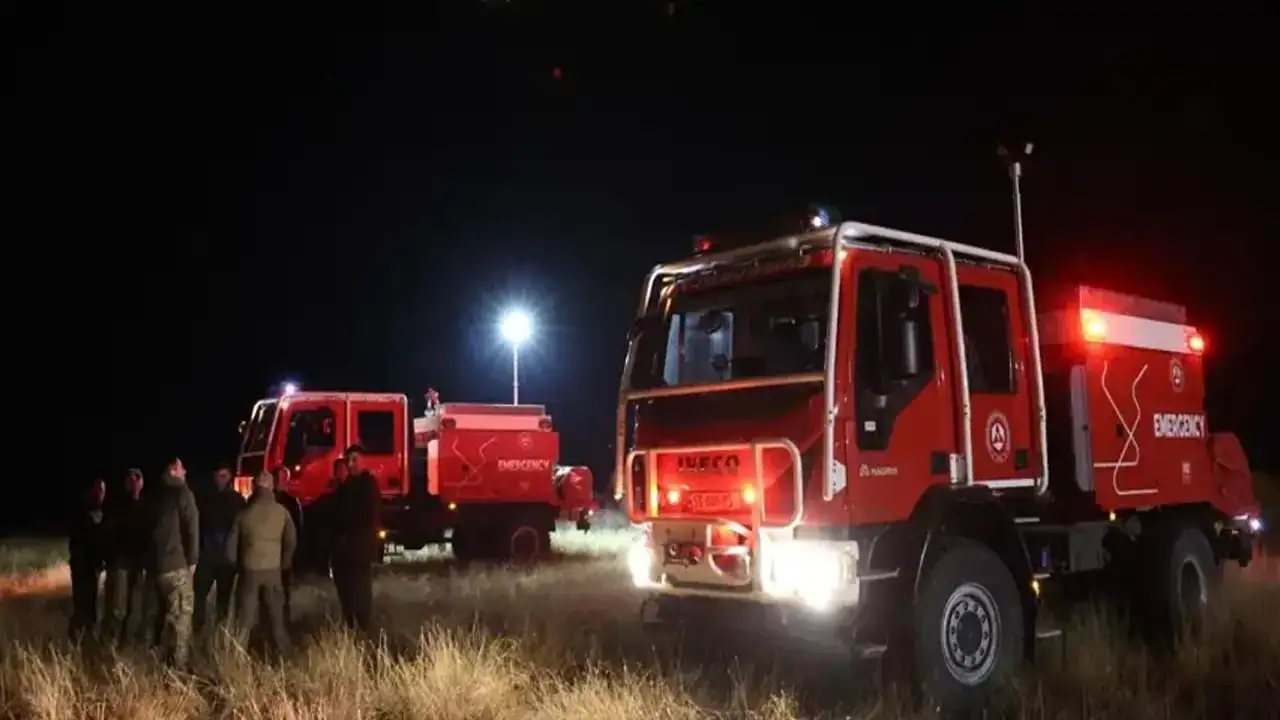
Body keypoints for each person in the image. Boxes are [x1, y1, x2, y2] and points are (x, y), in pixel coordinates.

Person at [226, 470, 296, 654]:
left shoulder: (244, 514)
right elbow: (291, 540)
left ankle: (236, 657)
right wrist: (284, 563)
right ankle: (282, 655)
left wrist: (237, 566)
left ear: (255, 488)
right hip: (273, 571)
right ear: (271, 487)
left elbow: (230, 547)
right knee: (276, 618)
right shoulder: (282, 512)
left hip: (249, 570)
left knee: (245, 620)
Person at [146, 457, 200, 668]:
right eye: (183, 468)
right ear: (175, 469)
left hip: (155, 568)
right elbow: (192, 528)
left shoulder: (153, 495)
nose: (185, 472)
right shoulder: (183, 493)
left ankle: (155, 660)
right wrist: (193, 561)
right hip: (177, 566)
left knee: (159, 617)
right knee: (181, 620)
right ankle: (178, 670)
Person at [330, 444, 380, 632]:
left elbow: (364, 517)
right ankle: (350, 622)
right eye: (349, 460)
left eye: (354, 460)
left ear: (363, 461)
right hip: (344, 550)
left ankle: (363, 625)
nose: (351, 464)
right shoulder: (345, 486)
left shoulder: (367, 484)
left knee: (360, 588)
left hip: (359, 548)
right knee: (346, 587)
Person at [194, 464, 245, 633]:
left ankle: (218, 633)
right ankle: (197, 629)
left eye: (223, 476)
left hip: (226, 559)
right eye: (218, 476)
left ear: (230, 477)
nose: (219, 479)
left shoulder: (237, 501)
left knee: (222, 600)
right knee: (198, 595)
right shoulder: (207, 499)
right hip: (208, 556)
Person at [102, 468, 150, 648]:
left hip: (137, 564)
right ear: (126, 484)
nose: (134, 482)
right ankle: (112, 641)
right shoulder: (117, 506)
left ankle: (127, 642)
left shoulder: (146, 506)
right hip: (121, 562)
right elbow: (108, 533)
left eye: (138, 478)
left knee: (134, 605)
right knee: (118, 607)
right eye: (131, 479)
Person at [68, 477, 108, 641]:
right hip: (81, 566)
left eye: (103, 491)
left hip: (93, 566)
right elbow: (77, 543)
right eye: (98, 490)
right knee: (81, 603)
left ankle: (87, 636)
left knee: (91, 603)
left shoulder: (103, 513)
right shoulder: (82, 513)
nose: (101, 494)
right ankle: (75, 635)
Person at [272, 465, 304, 620]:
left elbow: (298, 529)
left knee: (284, 590)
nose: (281, 480)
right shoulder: (269, 499)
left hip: (284, 553)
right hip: (270, 553)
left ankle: (284, 620)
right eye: (278, 477)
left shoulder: (292, 502)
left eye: (284, 477)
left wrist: (293, 555)